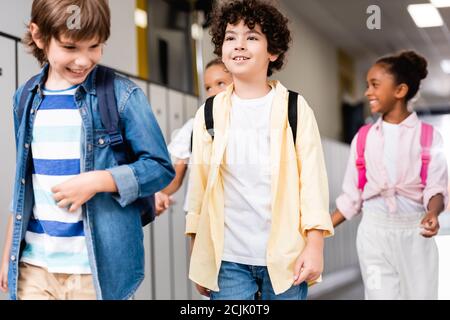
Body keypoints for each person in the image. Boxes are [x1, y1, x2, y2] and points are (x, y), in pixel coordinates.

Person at [0, 0, 174, 300]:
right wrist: (8, 255)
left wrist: (98, 181)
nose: (83, 60)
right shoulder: (24, 99)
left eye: (94, 46)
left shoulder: (121, 94)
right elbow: (25, 183)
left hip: (96, 271)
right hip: (34, 266)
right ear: (39, 36)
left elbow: (160, 167)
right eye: (70, 47)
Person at [186, 0, 334, 300]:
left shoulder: (295, 108)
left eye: (251, 37)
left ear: (273, 51)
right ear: (222, 50)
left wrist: (315, 245)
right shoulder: (210, 112)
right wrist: (197, 255)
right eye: (230, 37)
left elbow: (313, 183)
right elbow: (198, 188)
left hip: (286, 256)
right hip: (227, 259)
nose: (239, 44)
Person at [331, 50, 448, 300]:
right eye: (367, 85)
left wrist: (432, 213)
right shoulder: (363, 138)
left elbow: (436, 188)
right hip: (374, 233)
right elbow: (352, 197)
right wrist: (319, 231)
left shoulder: (428, 137)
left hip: (415, 234)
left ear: (400, 90)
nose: (367, 92)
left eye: (374, 85)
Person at [154, 59, 232, 215]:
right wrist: (157, 195)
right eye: (208, 88)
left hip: (236, 216)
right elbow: (175, 180)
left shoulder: (250, 124)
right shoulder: (194, 125)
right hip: (199, 215)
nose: (214, 92)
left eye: (221, 83)